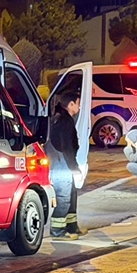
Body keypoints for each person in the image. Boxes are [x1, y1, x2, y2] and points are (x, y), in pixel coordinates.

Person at [46, 91, 85, 240]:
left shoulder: (59, 118)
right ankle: (57, 231)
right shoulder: (65, 121)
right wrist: (75, 169)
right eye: (78, 104)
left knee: (71, 195)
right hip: (62, 164)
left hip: (62, 163)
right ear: (71, 104)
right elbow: (67, 147)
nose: (79, 107)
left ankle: (71, 226)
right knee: (63, 196)